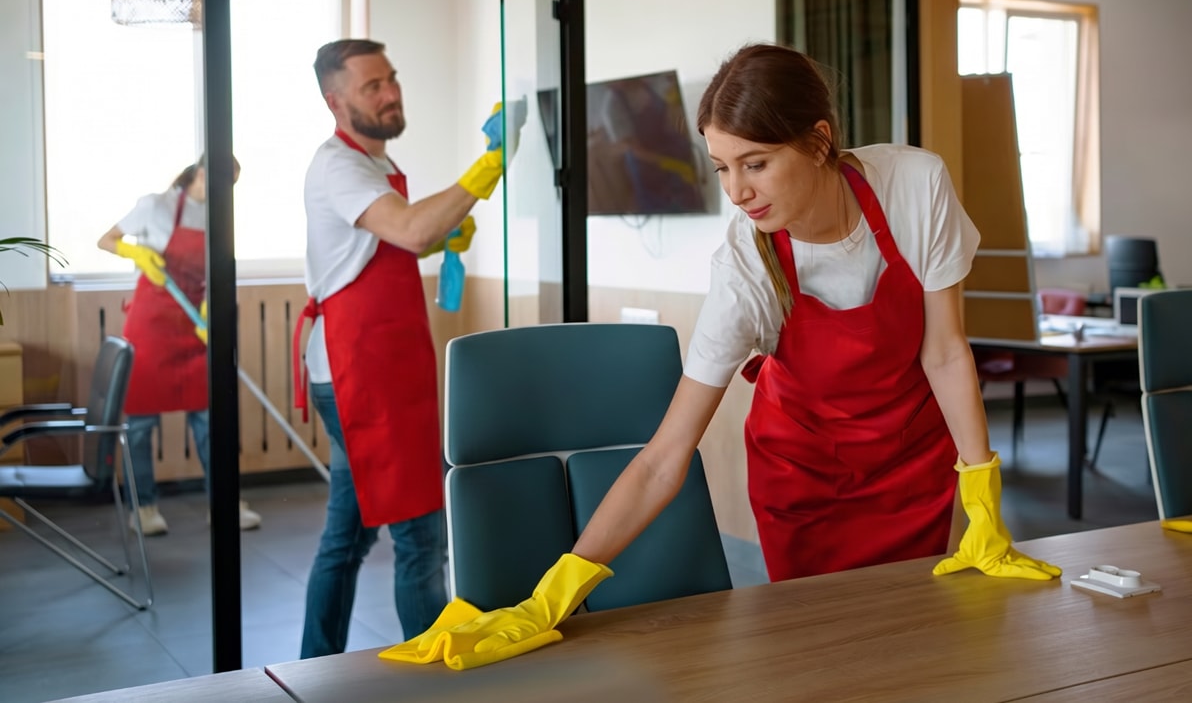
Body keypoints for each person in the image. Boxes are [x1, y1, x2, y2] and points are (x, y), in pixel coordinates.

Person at [383, 43, 1063, 671]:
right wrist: (552, 595)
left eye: (756, 163)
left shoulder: (914, 187)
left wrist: (982, 492)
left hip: (912, 467)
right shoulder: (746, 270)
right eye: (722, 168)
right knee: (823, 655)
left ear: (819, 141)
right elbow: (663, 457)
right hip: (807, 482)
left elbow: (944, 352)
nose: (736, 192)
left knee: (912, 643)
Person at [294, 38, 513, 658]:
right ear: (335, 101)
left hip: (374, 367)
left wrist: (449, 224)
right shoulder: (338, 165)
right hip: (359, 370)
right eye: (372, 87)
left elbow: (404, 232)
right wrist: (489, 164)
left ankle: (315, 665)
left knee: (349, 535)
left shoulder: (372, 166)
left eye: (391, 79)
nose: (391, 94)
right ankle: (433, 673)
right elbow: (411, 228)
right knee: (419, 532)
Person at [98, 156, 262, 536]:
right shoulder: (156, 205)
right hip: (151, 323)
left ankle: (224, 505)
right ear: (201, 173)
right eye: (223, 185)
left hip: (194, 325)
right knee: (140, 423)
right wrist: (134, 252)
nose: (227, 195)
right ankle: (145, 509)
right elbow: (106, 239)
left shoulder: (218, 218)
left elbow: (216, 270)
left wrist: (209, 311)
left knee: (210, 416)